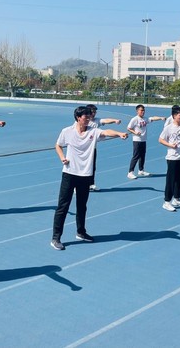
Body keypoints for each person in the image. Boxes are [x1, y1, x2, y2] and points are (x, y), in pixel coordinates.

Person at [51, 106, 127, 250]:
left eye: (89, 116)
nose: (89, 119)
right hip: (69, 174)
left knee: (82, 206)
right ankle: (56, 238)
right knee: (63, 206)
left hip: (85, 175)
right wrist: (62, 158)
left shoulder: (93, 131)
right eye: (86, 117)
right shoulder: (67, 131)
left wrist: (119, 133)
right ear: (78, 118)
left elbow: (106, 132)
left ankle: (81, 232)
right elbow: (58, 145)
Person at [85, 104, 121, 191]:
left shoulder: (97, 121)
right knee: (82, 168)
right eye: (92, 112)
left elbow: (106, 120)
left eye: (95, 112)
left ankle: (91, 184)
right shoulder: (83, 121)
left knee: (92, 167)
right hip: (83, 149)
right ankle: (76, 186)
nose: (94, 114)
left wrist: (115, 120)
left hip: (92, 148)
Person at [126, 104, 166, 179]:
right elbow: (129, 128)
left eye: (144, 110)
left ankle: (141, 170)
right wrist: (135, 133)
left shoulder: (145, 119)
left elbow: (153, 118)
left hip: (143, 140)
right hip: (137, 140)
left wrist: (160, 118)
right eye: (141, 110)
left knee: (142, 156)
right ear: (137, 111)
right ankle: (130, 172)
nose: (143, 112)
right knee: (136, 156)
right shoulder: (135, 119)